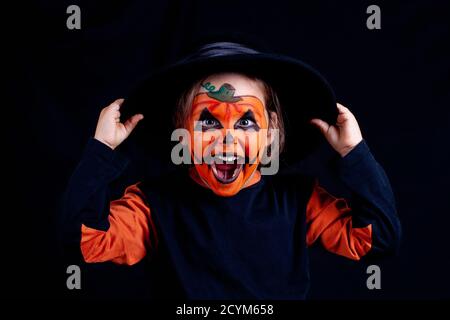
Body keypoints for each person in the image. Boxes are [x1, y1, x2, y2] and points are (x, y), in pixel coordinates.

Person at [62, 40, 401, 299]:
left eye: (246, 122)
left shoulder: (299, 200)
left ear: (271, 133)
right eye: (208, 120)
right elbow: (84, 242)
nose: (227, 142)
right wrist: (101, 150)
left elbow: (376, 239)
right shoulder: (153, 203)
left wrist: (354, 153)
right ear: (182, 129)